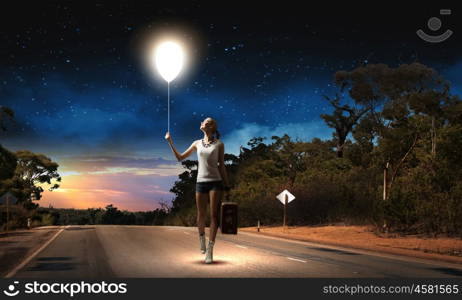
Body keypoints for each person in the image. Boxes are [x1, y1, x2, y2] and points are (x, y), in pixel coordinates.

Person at [165, 117, 230, 264]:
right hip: (200, 182)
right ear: (202, 126)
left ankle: (210, 250)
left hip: (216, 182)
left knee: (214, 215)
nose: (205, 122)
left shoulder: (219, 144)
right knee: (201, 214)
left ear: (212, 127)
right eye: (204, 121)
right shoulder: (196, 143)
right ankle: (201, 238)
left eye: (209, 122)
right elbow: (180, 158)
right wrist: (170, 142)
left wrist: (227, 185)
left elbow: (222, 166)